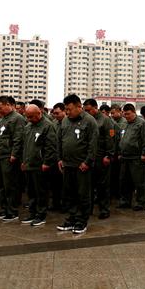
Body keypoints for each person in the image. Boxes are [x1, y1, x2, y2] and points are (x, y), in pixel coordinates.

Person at [57, 94, 98, 234]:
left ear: (79, 107)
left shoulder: (89, 121)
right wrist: (60, 158)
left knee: (83, 194)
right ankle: (72, 219)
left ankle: (81, 221)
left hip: (82, 165)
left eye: (69, 109)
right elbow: (60, 141)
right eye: (66, 109)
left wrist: (87, 162)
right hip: (67, 164)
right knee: (69, 194)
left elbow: (93, 144)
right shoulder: (65, 121)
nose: (67, 112)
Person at [20, 105, 57, 226]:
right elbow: (25, 146)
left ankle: (41, 215)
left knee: (41, 191)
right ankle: (32, 213)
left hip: (40, 165)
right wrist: (24, 161)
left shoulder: (47, 126)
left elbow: (51, 146)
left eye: (31, 116)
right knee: (31, 191)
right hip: (29, 164)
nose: (29, 119)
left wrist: (47, 162)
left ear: (39, 113)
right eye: (27, 117)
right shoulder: (28, 126)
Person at [0, 96, 26, 222]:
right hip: (0, 156)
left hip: (8, 156)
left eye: (1, 108)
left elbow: (18, 138)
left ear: (8, 105)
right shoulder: (3, 119)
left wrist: (14, 154)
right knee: (1, 185)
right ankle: (4, 208)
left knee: (10, 185)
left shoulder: (17, 118)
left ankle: (12, 211)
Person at [83, 98, 115, 220]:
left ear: (96, 108)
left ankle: (104, 210)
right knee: (89, 185)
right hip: (90, 157)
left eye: (89, 110)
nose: (87, 112)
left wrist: (109, 155)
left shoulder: (105, 120)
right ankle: (88, 209)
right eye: (85, 110)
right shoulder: (86, 120)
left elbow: (110, 138)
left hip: (102, 157)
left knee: (102, 185)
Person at [117, 103, 145, 211]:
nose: (126, 116)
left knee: (138, 181)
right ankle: (125, 201)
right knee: (124, 181)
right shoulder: (124, 124)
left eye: (128, 114)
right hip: (124, 157)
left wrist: (144, 154)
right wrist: (120, 152)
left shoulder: (141, 124)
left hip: (136, 157)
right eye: (124, 114)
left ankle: (140, 202)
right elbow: (121, 139)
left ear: (134, 112)